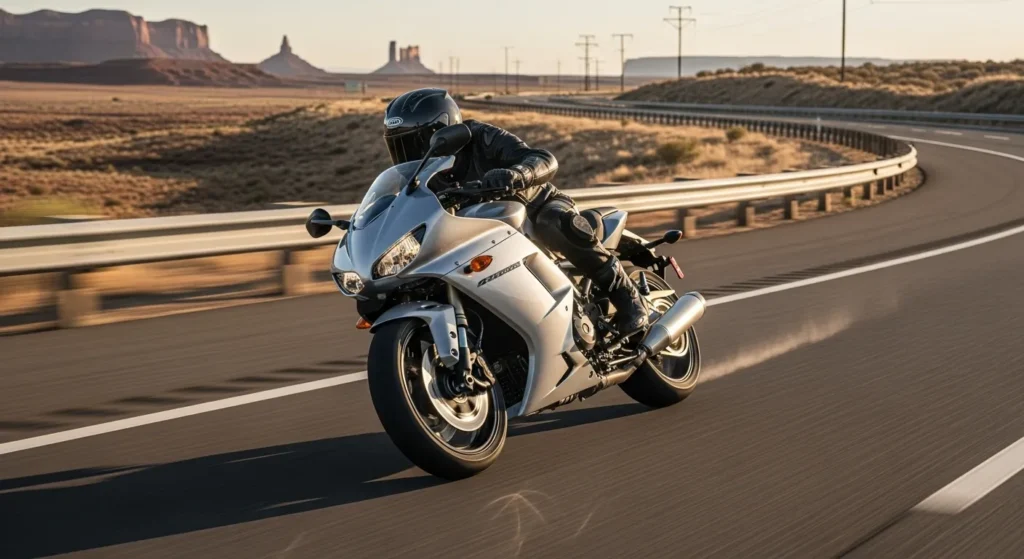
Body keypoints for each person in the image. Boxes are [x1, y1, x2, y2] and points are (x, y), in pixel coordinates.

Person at [382, 88, 648, 331]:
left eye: (415, 143)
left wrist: (517, 173)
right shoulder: (417, 176)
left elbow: (543, 158)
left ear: (443, 132)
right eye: (399, 146)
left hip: (534, 209)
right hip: (479, 233)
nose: (409, 155)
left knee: (555, 223)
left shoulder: (482, 137)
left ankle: (630, 300)